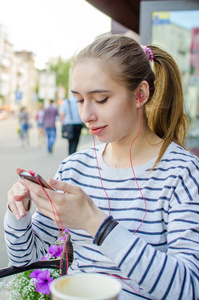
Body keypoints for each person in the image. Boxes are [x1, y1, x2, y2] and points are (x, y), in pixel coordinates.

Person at [4, 35, 199, 300]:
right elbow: (28, 258)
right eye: (80, 100)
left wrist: (95, 223)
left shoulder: (182, 173)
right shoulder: (74, 168)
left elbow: (189, 287)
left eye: (101, 99)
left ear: (140, 94)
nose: (86, 116)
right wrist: (19, 213)